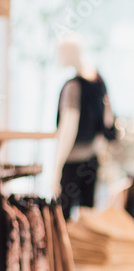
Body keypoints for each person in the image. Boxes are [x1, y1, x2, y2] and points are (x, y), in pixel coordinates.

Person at [52, 33, 117, 218]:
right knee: (87, 215)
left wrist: (56, 169)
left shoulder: (73, 87)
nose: (59, 56)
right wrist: (99, 149)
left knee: (63, 217)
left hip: (73, 161)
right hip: (92, 160)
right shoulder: (99, 82)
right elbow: (107, 121)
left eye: (62, 52)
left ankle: (68, 248)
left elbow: (68, 130)